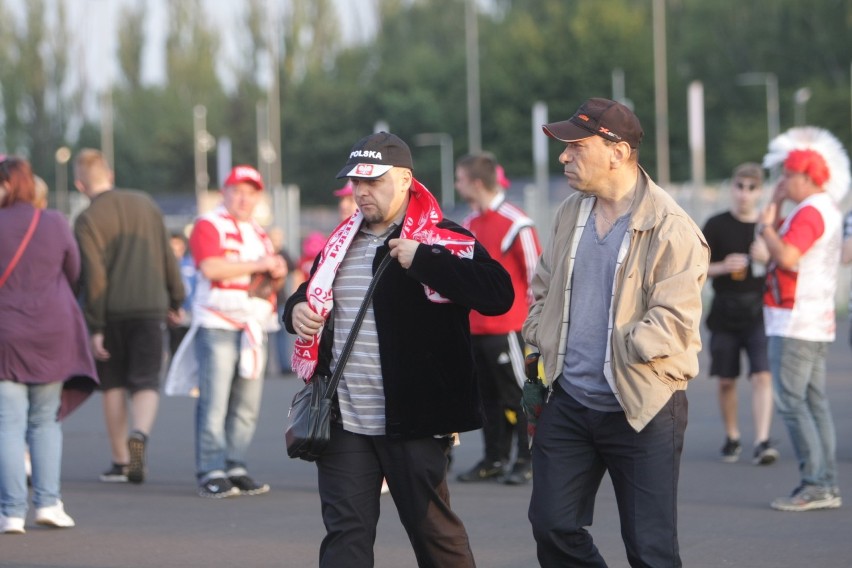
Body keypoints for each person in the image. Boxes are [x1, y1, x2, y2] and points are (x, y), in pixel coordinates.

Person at [284, 131, 513, 567]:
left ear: (406, 179)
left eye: (373, 181)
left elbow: (498, 294)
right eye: (356, 182)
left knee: (434, 535)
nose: (361, 192)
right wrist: (295, 311)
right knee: (345, 536)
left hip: (415, 419)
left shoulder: (443, 238)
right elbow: (305, 292)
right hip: (343, 419)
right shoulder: (340, 242)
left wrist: (426, 261)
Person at [522, 98, 709, 567]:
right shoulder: (570, 212)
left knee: (650, 549)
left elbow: (674, 320)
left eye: (576, 146)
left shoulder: (672, 227)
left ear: (617, 151)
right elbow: (542, 286)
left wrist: (619, 350)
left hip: (642, 406)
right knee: (552, 525)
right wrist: (539, 332)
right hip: (569, 400)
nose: (564, 156)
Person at [73, 149, 185, 485]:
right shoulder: (145, 203)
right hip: (151, 307)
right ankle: (140, 432)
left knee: (113, 384)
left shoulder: (87, 219)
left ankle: (121, 460)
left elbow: (92, 277)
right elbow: (167, 255)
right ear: (111, 174)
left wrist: (94, 325)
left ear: (80, 184)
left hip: (110, 313)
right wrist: (175, 297)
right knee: (146, 380)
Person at [0, 156, 98, 534]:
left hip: (6, 334)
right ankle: (49, 503)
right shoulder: (54, 222)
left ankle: (10, 512)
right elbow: (74, 273)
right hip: (51, 333)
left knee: (8, 426)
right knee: (45, 420)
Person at [178, 165, 287, 498]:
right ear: (224, 193)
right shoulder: (208, 224)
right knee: (215, 400)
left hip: (253, 324)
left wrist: (277, 270)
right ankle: (211, 468)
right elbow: (211, 267)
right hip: (219, 322)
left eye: (250, 192)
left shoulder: (258, 231)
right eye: (237, 191)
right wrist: (262, 265)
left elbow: (267, 278)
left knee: (246, 403)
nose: (243, 198)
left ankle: (235, 464)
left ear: (257, 197)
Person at [757, 127, 848, 512]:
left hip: (796, 321)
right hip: (811, 319)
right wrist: (775, 208)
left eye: (787, 175)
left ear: (807, 176)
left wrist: (765, 227)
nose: (782, 181)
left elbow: (788, 256)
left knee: (795, 403)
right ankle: (823, 482)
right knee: (812, 402)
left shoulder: (811, 211)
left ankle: (816, 485)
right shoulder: (823, 208)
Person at [454, 153, 541, 485]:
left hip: (509, 328)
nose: (457, 185)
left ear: (476, 182)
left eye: (460, 179)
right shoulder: (469, 223)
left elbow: (537, 276)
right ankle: (494, 458)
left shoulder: (517, 222)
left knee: (519, 394)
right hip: (476, 329)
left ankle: (527, 458)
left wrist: (533, 325)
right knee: (487, 398)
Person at [702, 163, 779, 465]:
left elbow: (791, 262)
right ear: (732, 188)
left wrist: (769, 257)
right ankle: (732, 436)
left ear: (760, 192)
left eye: (751, 188)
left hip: (760, 310)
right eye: (739, 187)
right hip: (724, 310)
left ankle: (762, 439)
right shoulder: (716, 224)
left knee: (762, 374)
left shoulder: (767, 227)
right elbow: (695, 266)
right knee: (725, 379)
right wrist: (722, 267)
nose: (744, 194)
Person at [168, 231, 196, 358]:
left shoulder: (192, 264)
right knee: (176, 350)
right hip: (174, 314)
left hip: (192, 314)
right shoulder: (165, 266)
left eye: (178, 245)